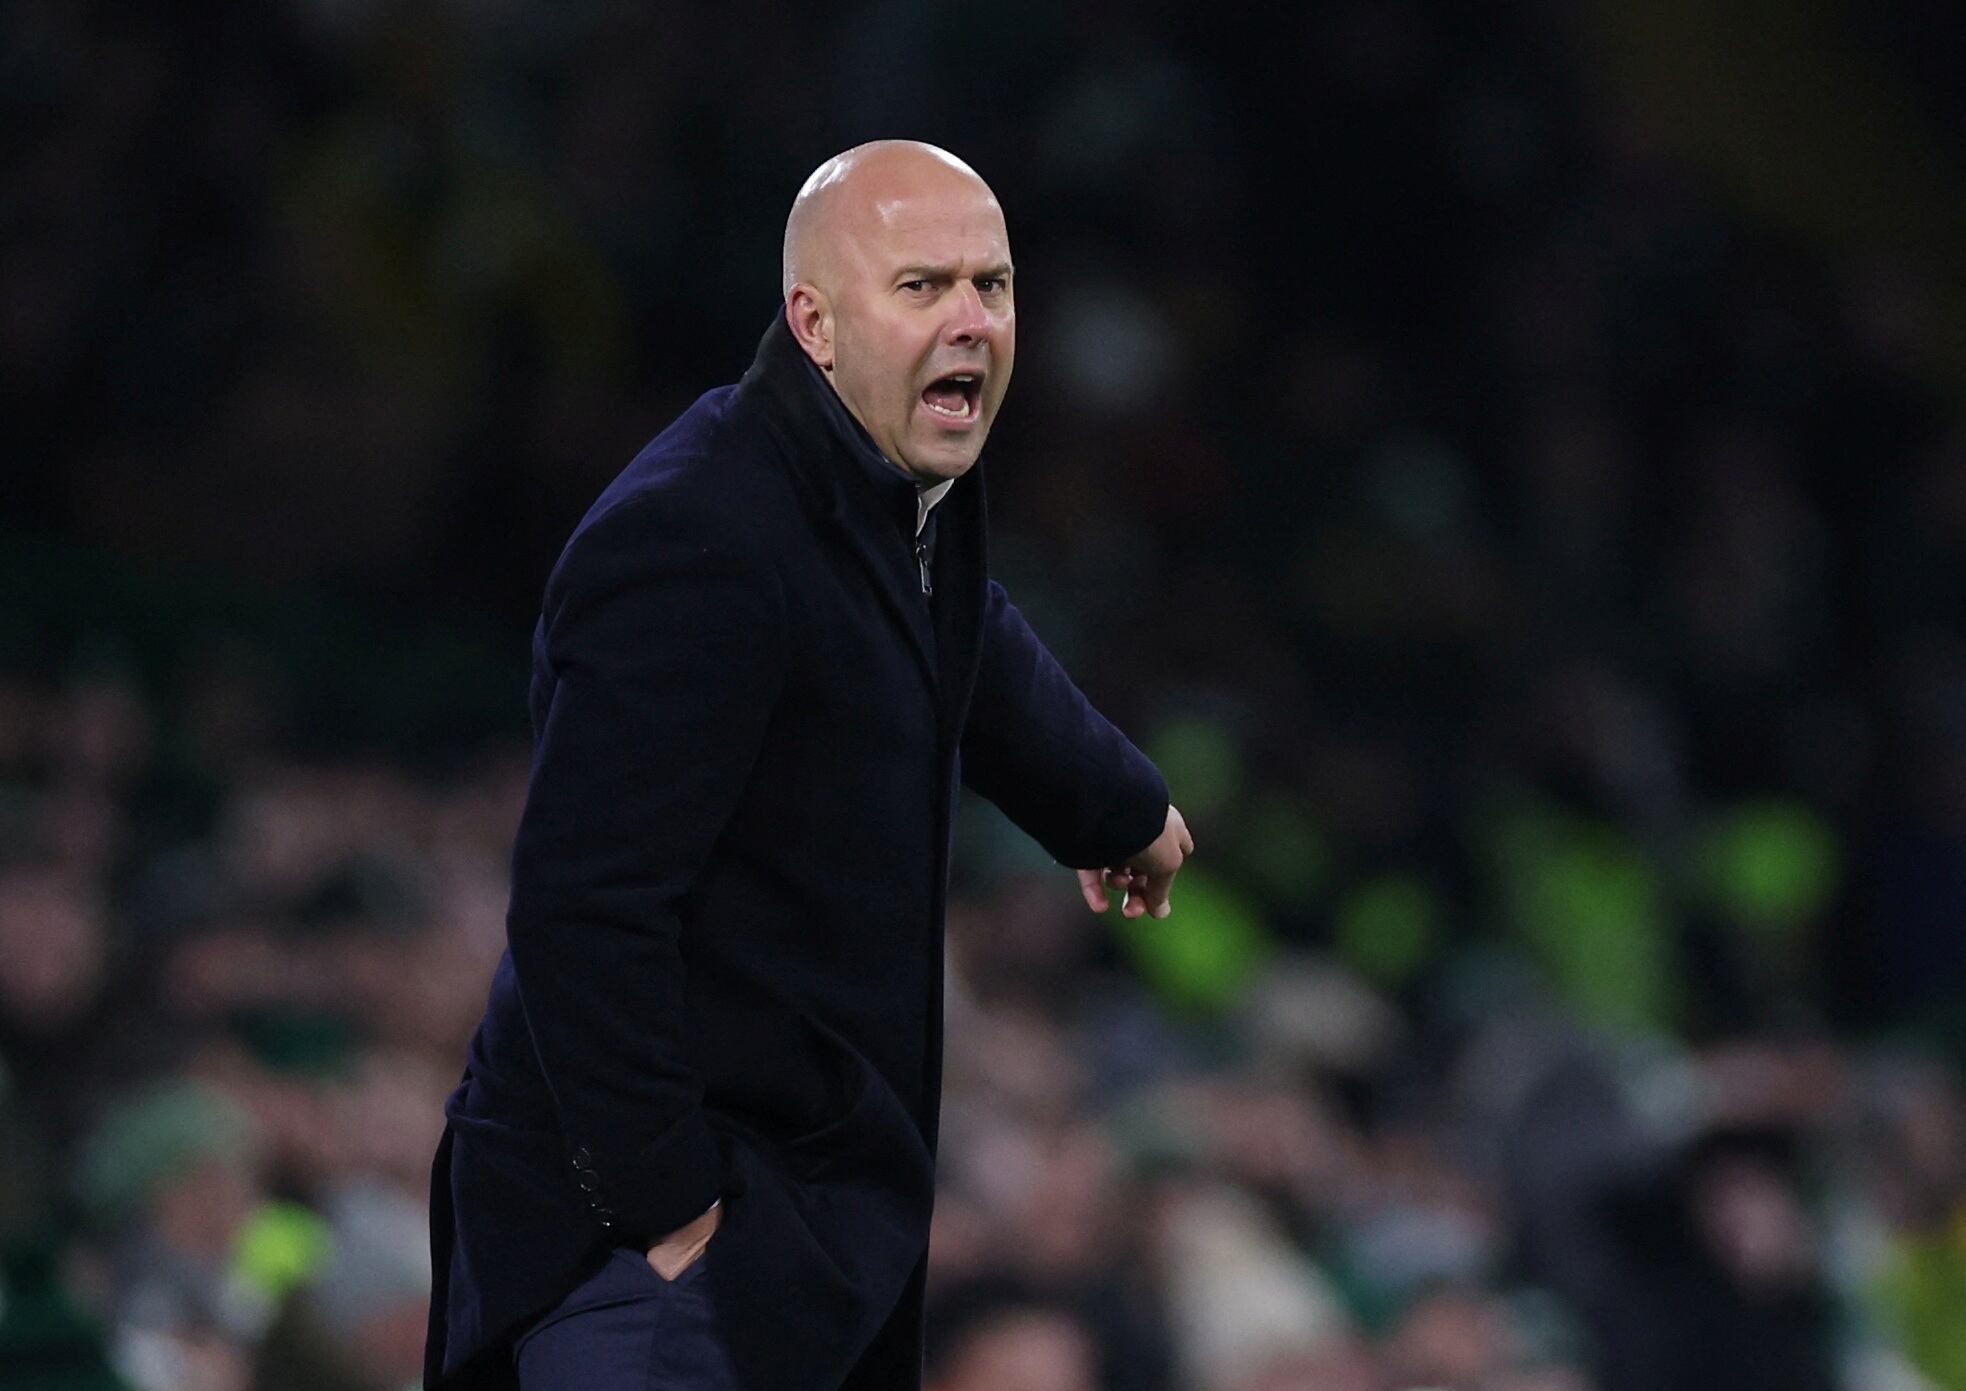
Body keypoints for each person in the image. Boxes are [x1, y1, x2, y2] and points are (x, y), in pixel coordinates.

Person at [422, 139, 1193, 1391]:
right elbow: (583, 907)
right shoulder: (696, 533)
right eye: (921, 285)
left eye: (991, 286)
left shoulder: (886, 481)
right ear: (814, 323)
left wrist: (1116, 804)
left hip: (796, 1216)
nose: (970, 320)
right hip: (646, 1254)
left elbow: (963, 630)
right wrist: (666, 1206)